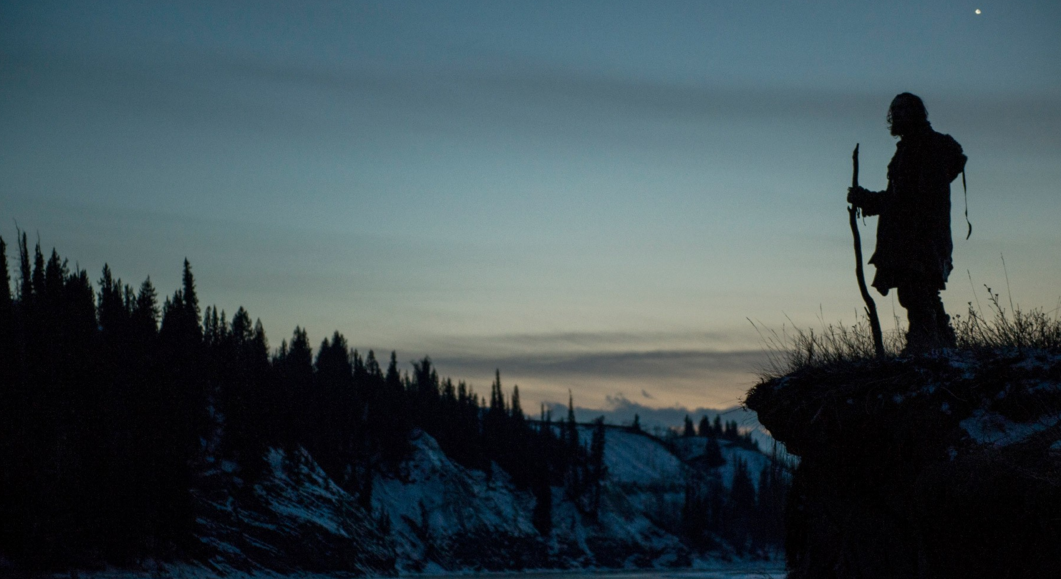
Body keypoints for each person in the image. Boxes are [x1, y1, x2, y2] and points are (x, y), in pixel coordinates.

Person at [847, 93, 967, 352]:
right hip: (912, 235)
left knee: (915, 290)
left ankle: (923, 347)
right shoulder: (912, 148)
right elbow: (901, 197)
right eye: (895, 110)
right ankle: (942, 345)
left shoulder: (925, 148)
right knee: (921, 290)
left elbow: (911, 198)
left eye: (903, 110)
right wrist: (868, 200)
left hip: (920, 235)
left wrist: (868, 200)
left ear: (916, 113)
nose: (897, 115)